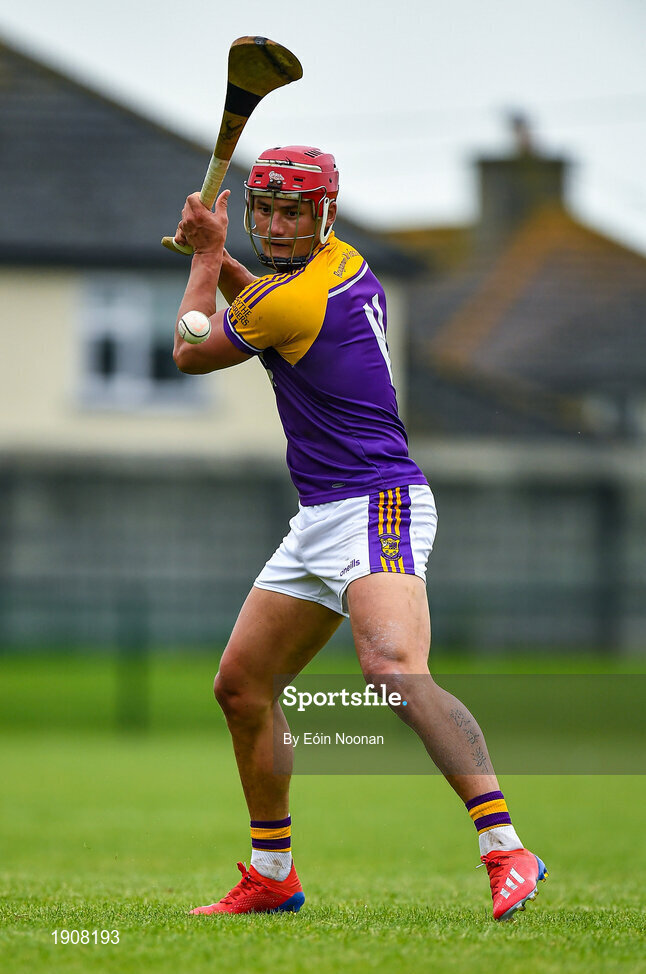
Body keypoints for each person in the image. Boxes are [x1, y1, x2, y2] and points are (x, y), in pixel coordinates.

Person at [172, 146, 547, 920]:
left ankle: (507, 848)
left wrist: (208, 256)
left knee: (394, 669)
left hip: (378, 503)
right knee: (241, 689)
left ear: (324, 214)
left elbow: (189, 350)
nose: (275, 227)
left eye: (293, 213)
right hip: (320, 517)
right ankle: (272, 873)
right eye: (264, 213)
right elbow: (271, 308)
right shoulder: (339, 267)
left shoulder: (291, 298)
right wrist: (226, 260)